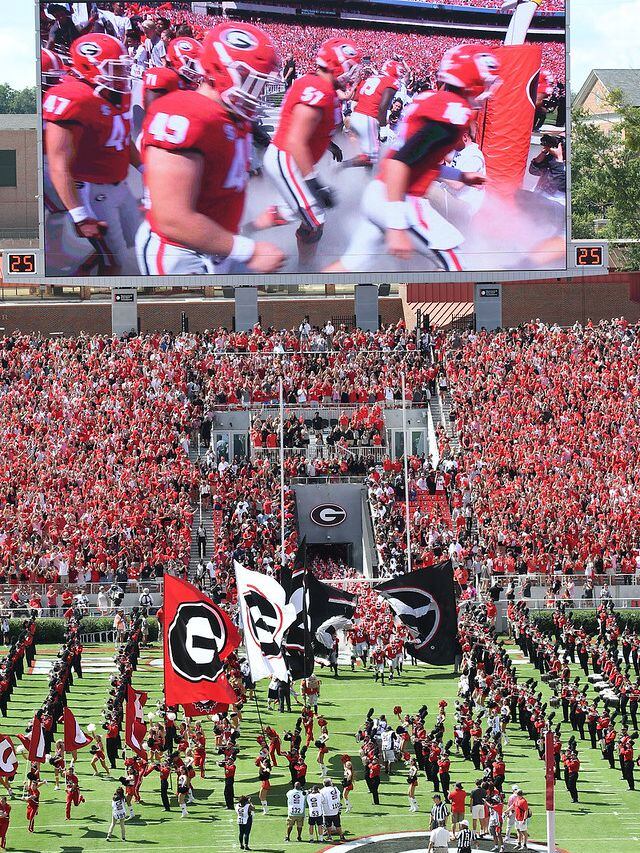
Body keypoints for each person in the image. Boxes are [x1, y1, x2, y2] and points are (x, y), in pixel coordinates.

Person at [325, 45, 500, 274]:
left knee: (350, 266)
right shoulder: (453, 113)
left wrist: (460, 175)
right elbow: (400, 162)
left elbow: (419, 161)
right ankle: (454, 310)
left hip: (381, 191)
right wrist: (397, 224)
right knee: (456, 264)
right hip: (399, 198)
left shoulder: (433, 98)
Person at [136, 22, 285, 277]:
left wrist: (251, 227)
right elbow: (171, 217)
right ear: (223, 70)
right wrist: (248, 250)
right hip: (179, 253)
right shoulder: (184, 113)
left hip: (216, 247)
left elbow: (217, 196)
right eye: (253, 81)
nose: (259, 94)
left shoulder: (231, 117)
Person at [252, 38, 362, 267]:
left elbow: (312, 129)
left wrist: (327, 144)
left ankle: (245, 230)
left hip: (291, 159)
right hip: (288, 158)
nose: (352, 74)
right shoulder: (318, 88)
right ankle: (306, 270)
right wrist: (315, 183)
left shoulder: (323, 88)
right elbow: (295, 139)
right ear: (337, 65)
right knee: (315, 219)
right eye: (350, 67)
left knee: (291, 211)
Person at [43, 33, 140, 275]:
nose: (121, 75)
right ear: (90, 65)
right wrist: (80, 215)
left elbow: (123, 137)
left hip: (119, 186)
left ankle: (83, 270)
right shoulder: (74, 98)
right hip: (93, 188)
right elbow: (58, 163)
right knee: (113, 261)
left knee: (135, 239)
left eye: (122, 68)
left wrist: (148, 170)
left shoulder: (116, 94)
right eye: (114, 68)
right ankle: (93, 296)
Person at [343, 60, 404, 169]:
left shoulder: (373, 78)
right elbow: (383, 106)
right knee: (370, 158)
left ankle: (365, 180)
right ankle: (339, 167)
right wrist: (383, 127)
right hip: (368, 118)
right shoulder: (391, 81)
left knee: (370, 155)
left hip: (357, 115)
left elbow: (357, 98)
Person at [320, 778, 345, 843]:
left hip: (327, 811)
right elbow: (339, 795)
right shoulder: (335, 789)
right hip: (335, 809)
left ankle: (329, 836)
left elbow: (321, 799)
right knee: (338, 824)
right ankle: (341, 835)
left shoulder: (323, 791)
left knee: (328, 825)